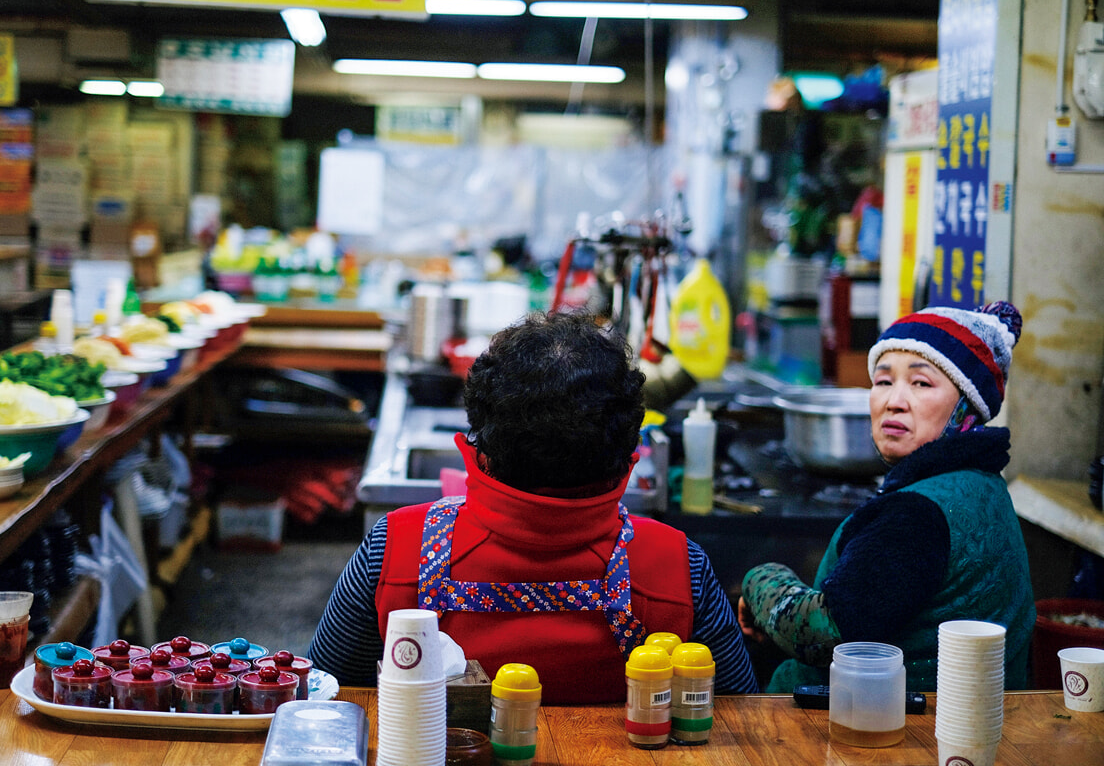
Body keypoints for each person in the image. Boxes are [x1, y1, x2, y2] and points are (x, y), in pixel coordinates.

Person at [308, 311, 758, 703]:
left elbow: (323, 700)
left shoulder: (393, 549)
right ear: (626, 456)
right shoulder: (679, 567)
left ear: (480, 447)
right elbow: (743, 718)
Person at [739, 301, 1035, 692]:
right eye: (883, 381)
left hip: (880, 722)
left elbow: (824, 633)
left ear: (967, 404)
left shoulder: (916, 515)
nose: (894, 400)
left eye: (921, 383)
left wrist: (760, 580)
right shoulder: (983, 484)